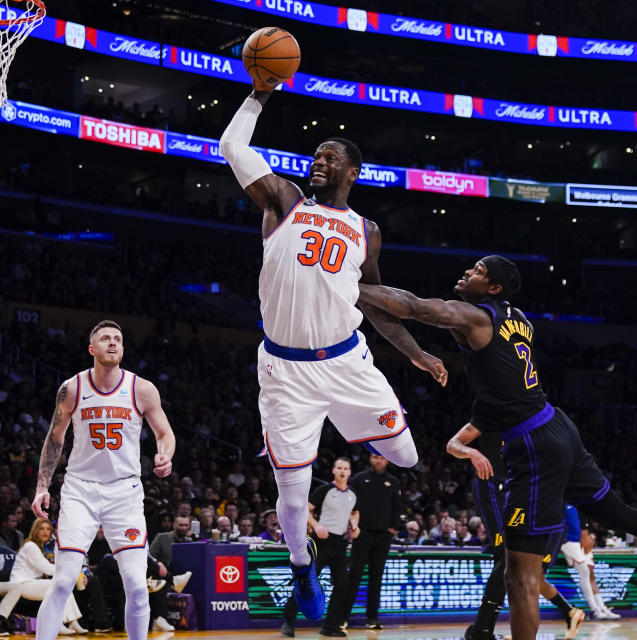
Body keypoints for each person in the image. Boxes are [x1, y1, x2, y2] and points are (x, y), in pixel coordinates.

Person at [357, 257, 637, 639]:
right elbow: (494, 384)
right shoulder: (520, 320)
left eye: (480, 270)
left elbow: (416, 307)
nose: (469, 271)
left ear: (493, 289)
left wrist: (344, 286)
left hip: (534, 444)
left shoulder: (478, 318)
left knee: (519, 575)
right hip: (556, 425)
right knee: (618, 513)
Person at [220, 80, 447, 621]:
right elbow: (232, 146)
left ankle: (353, 430)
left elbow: (372, 300)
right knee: (294, 498)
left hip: (347, 362)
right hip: (285, 371)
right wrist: (259, 94)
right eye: (316, 153)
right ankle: (302, 563)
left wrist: (414, 352)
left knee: (407, 456)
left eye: (331, 156)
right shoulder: (284, 201)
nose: (319, 160)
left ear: (353, 172)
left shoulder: (366, 230)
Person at [31, 320, 176, 640]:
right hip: (80, 489)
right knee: (63, 580)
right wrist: (42, 485)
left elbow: (164, 433)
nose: (112, 343)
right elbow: (55, 439)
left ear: (123, 349)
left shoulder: (142, 388)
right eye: (105, 338)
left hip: (124, 491)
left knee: (138, 585)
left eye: (118, 339)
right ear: (91, 349)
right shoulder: (72, 388)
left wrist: (165, 454)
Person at [447, 422, 585, 640]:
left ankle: (487, 630)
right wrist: (472, 452)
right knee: (513, 564)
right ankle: (485, 630)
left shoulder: (535, 423)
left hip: (525, 500)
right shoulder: (489, 410)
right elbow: (453, 444)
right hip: (494, 485)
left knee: (518, 568)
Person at [282, 457, 358, 638]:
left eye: (345, 468)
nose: (342, 471)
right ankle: (288, 623)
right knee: (306, 581)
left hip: (340, 543)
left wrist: (355, 526)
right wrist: (316, 525)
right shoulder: (324, 490)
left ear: (349, 472)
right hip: (320, 542)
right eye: (339, 467)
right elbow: (306, 509)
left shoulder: (353, 494)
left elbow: (355, 511)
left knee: (342, 585)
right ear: (333, 470)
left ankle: (330, 626)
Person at [0, 518, 86, 634]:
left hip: (30, 583)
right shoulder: (31, 546)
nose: (45, 532)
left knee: (63, 587)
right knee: (59, 586)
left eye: (48, 529)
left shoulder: (38, 547)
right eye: (41, 529)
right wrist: (70, 571)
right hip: (22, 584)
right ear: (35, 531)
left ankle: (72, 622)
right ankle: (59, 624)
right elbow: (47, 568)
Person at [340, 454, 401, 630]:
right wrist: (352, 526)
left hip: (383, 535)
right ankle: (342, 618)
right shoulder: (359, 479)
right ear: (370, 459)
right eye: (375, 457)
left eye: (382, 458)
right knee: (354, 577)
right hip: (362, 534)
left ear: (387, 460)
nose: (378, 460)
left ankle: (372, 619)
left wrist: (393, 528)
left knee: (377, 578)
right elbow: (349, 504)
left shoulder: (393, 482)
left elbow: (397, 507)